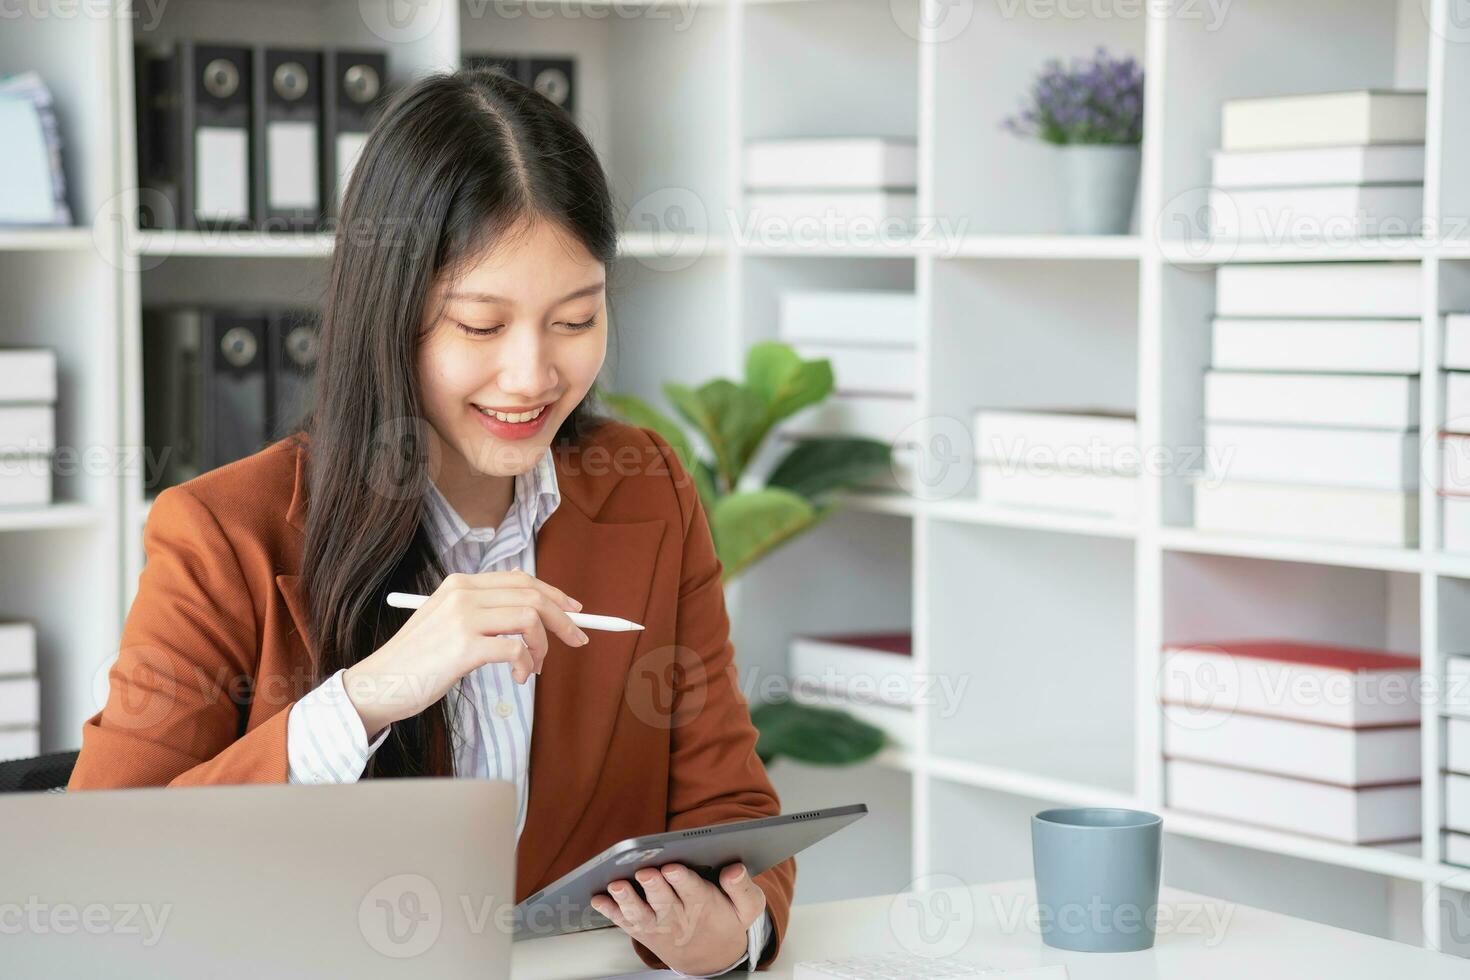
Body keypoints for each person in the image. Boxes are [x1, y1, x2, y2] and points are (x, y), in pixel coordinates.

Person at [69, 68, 793, 975]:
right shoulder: (223, 533)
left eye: (575, 319)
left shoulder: (647, 491)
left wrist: (734, 937)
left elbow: (733, 813)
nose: (532, 377)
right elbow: (98, 864)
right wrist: (368, 695)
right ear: (391, 314)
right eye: (481, 327)